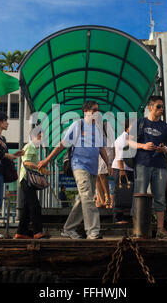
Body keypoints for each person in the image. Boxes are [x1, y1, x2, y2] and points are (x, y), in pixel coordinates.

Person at [38, 101, 112, 239]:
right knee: (88, 197)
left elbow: (101, 148)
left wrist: (108, 163)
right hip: (79, 166)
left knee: (82, 199)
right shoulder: (78, 125)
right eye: (94, 110)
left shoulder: (97, 128)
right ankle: (93, 231)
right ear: (86, 111)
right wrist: (46, 160)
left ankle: (68, 228)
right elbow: (62, 144)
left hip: (93, 168)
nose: (97, 112)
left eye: (98, 110)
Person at [128, 95, 167, 239]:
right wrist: (143, 145)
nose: (161, 109)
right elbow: (129, 141)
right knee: (139, 194)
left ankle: (161, 229)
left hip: (160, 165)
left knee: (160, 196)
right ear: (150, 107)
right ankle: (137, 228)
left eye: (162, 107)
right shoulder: (140, 123)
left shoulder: (166, 127)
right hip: (142, 163)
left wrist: (164, 149)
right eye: (158, 106)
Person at [14, 128, 48, 239]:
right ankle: (37, 232)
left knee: (27, 207)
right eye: (39, 136)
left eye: (41, 136)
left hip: (27, 180)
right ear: (33, 137)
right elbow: (26, 162)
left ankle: (21, 232)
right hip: (27, 179)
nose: (41, 138)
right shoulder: (30, 147)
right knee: (35, 206)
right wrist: (39, 166)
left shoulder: (34, 148)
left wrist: (42, 168)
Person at [112, 119, 134, 224]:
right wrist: (121, 170)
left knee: (127, 192)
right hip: (121, 168)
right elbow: (120, 155)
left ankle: (126, 216)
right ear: (128, 128)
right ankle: (118, 218)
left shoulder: (131, 138)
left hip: (128, 168)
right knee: (120, 192)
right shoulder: (123, 138)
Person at [95, 121, 115, 208]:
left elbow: (113, 142)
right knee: (96, 176)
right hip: (96, 152)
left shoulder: (106, 125)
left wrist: (114, 155)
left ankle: (107, 197)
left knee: (101, 174)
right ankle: (102, 200)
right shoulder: (90, 127)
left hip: (107, 151)